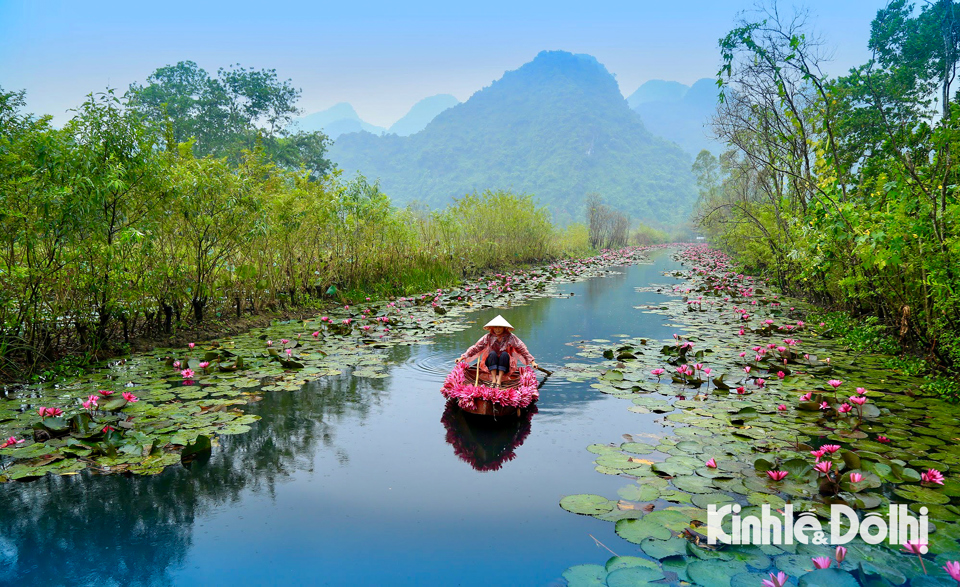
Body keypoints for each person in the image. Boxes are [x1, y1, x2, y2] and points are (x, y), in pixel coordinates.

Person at [456, 315, 537, 387]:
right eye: (495, 327)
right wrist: (462, 357)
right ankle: (494, 379)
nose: (497, 329)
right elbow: (476, 348)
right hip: (491, 363)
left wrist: (532, 362)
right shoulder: (488, 337)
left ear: (504, 328)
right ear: (492, 328)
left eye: (500, 327)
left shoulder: (510, 337)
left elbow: (522, 349)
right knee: (492, 354)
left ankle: (499, 380)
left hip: (505, 364)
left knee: (504, 354)